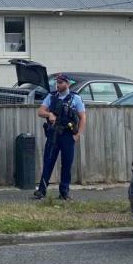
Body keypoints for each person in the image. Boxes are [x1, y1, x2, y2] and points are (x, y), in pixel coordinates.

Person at [33, 73, 86, 201]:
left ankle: (64, 192)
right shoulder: (51, 97)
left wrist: (78, 134)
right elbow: (40, 111)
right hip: (53, 135)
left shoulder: (75, 99)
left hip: (68, 135)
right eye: (57, 82)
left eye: (61, 82)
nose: (58, 85)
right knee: (48, 162)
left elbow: (82, 116)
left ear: (68, 84)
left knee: (67, 164)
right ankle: (41, 191)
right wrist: (49, 114)